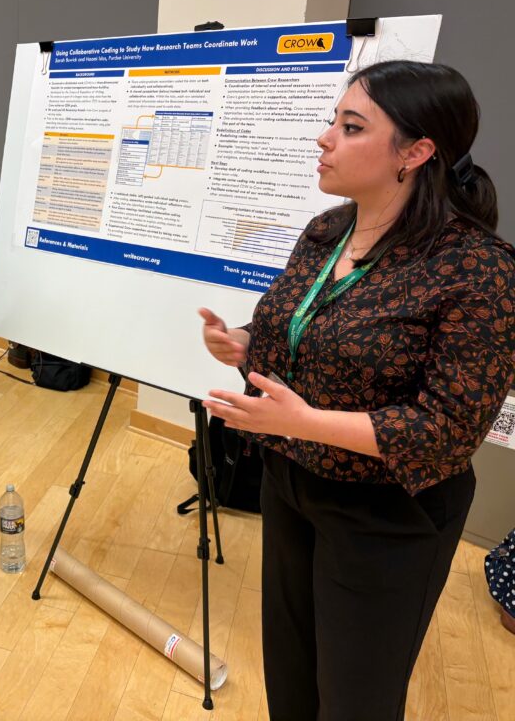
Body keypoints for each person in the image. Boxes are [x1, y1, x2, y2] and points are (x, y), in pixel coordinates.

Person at [199, 60, 515, 720]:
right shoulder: (326, 233)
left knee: (355, 699)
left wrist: (305, 421)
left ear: (416, 152)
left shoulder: (479, 269)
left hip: (389, 512)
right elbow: (306, 338)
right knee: (290, 678)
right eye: (331, 122)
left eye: (350, 127)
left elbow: (446, 433)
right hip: (291, 484)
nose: (324, 139)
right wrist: (248, 346)